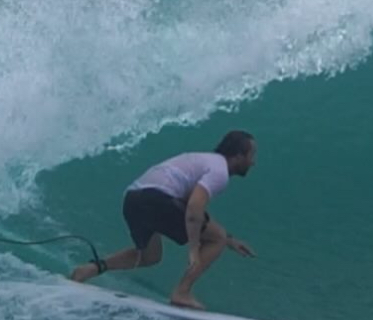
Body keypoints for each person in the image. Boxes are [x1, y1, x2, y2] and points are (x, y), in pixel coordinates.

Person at [71, 130, 258, 310]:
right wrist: (194, 249)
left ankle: (89, 270)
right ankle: (182, 292)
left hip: (133, 198)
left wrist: (229, 238)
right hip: (155, 199)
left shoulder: (205, 160)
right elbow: (193, 209)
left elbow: (190, 207)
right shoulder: (220, 172)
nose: (253, 162)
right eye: (251, 155)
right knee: (217, 238)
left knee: (149, 256)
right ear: (238, 156)